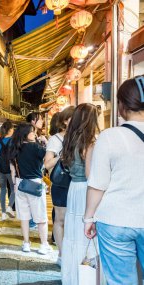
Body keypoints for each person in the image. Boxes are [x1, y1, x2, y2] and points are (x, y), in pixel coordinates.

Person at [84, 76, 144, 285]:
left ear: (121, 105)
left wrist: (89, 219)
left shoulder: (109, 136)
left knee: (121, 281)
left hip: (115, 220)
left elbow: (97, 184)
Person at [60, 103, 100, 285]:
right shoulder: (90, 142)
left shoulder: (70, 139)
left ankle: (71, 277)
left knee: (73, 235)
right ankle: (84, 278)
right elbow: (90, 175)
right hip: (85, 190)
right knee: (85, 235)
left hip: (74, 189)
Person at [9, 122, 53, 255]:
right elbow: (48, 161)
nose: (34, 133)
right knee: (40, 217)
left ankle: (26, 243)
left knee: (24, 217)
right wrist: (46, 142)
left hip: (20, 184)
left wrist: (15, 185)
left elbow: (12, 169)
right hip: (35, 185)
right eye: (32, 132)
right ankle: (43, 245)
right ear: (25, 134)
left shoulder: (15, 148)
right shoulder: (36, 147)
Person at [44, 106, 75, 266]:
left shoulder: (82, 137)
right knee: (61, 220)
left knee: (75, 220)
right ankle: (62, 255)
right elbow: (47, 164)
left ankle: (72, 252)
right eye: (72, 118)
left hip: (78, 184)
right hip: (62, 184)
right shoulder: (55, 139)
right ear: (64, 121)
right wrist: (61, 156)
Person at [0, 121, 15, 220]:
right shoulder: (13, 141)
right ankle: (10, 206)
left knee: (3, 190)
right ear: (10, 130)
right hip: (10, 168)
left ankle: (3, 214)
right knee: (14, 189)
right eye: (13, 128)